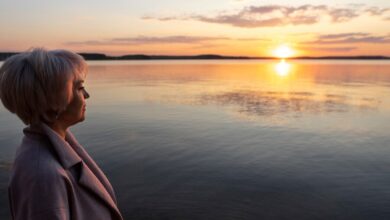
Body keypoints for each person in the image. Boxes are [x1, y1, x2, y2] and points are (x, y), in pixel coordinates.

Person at [0, 48, 123, 220]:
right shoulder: (42, 177)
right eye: (79, 88)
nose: (87, 95)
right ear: (51, 106)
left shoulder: (55, 147)